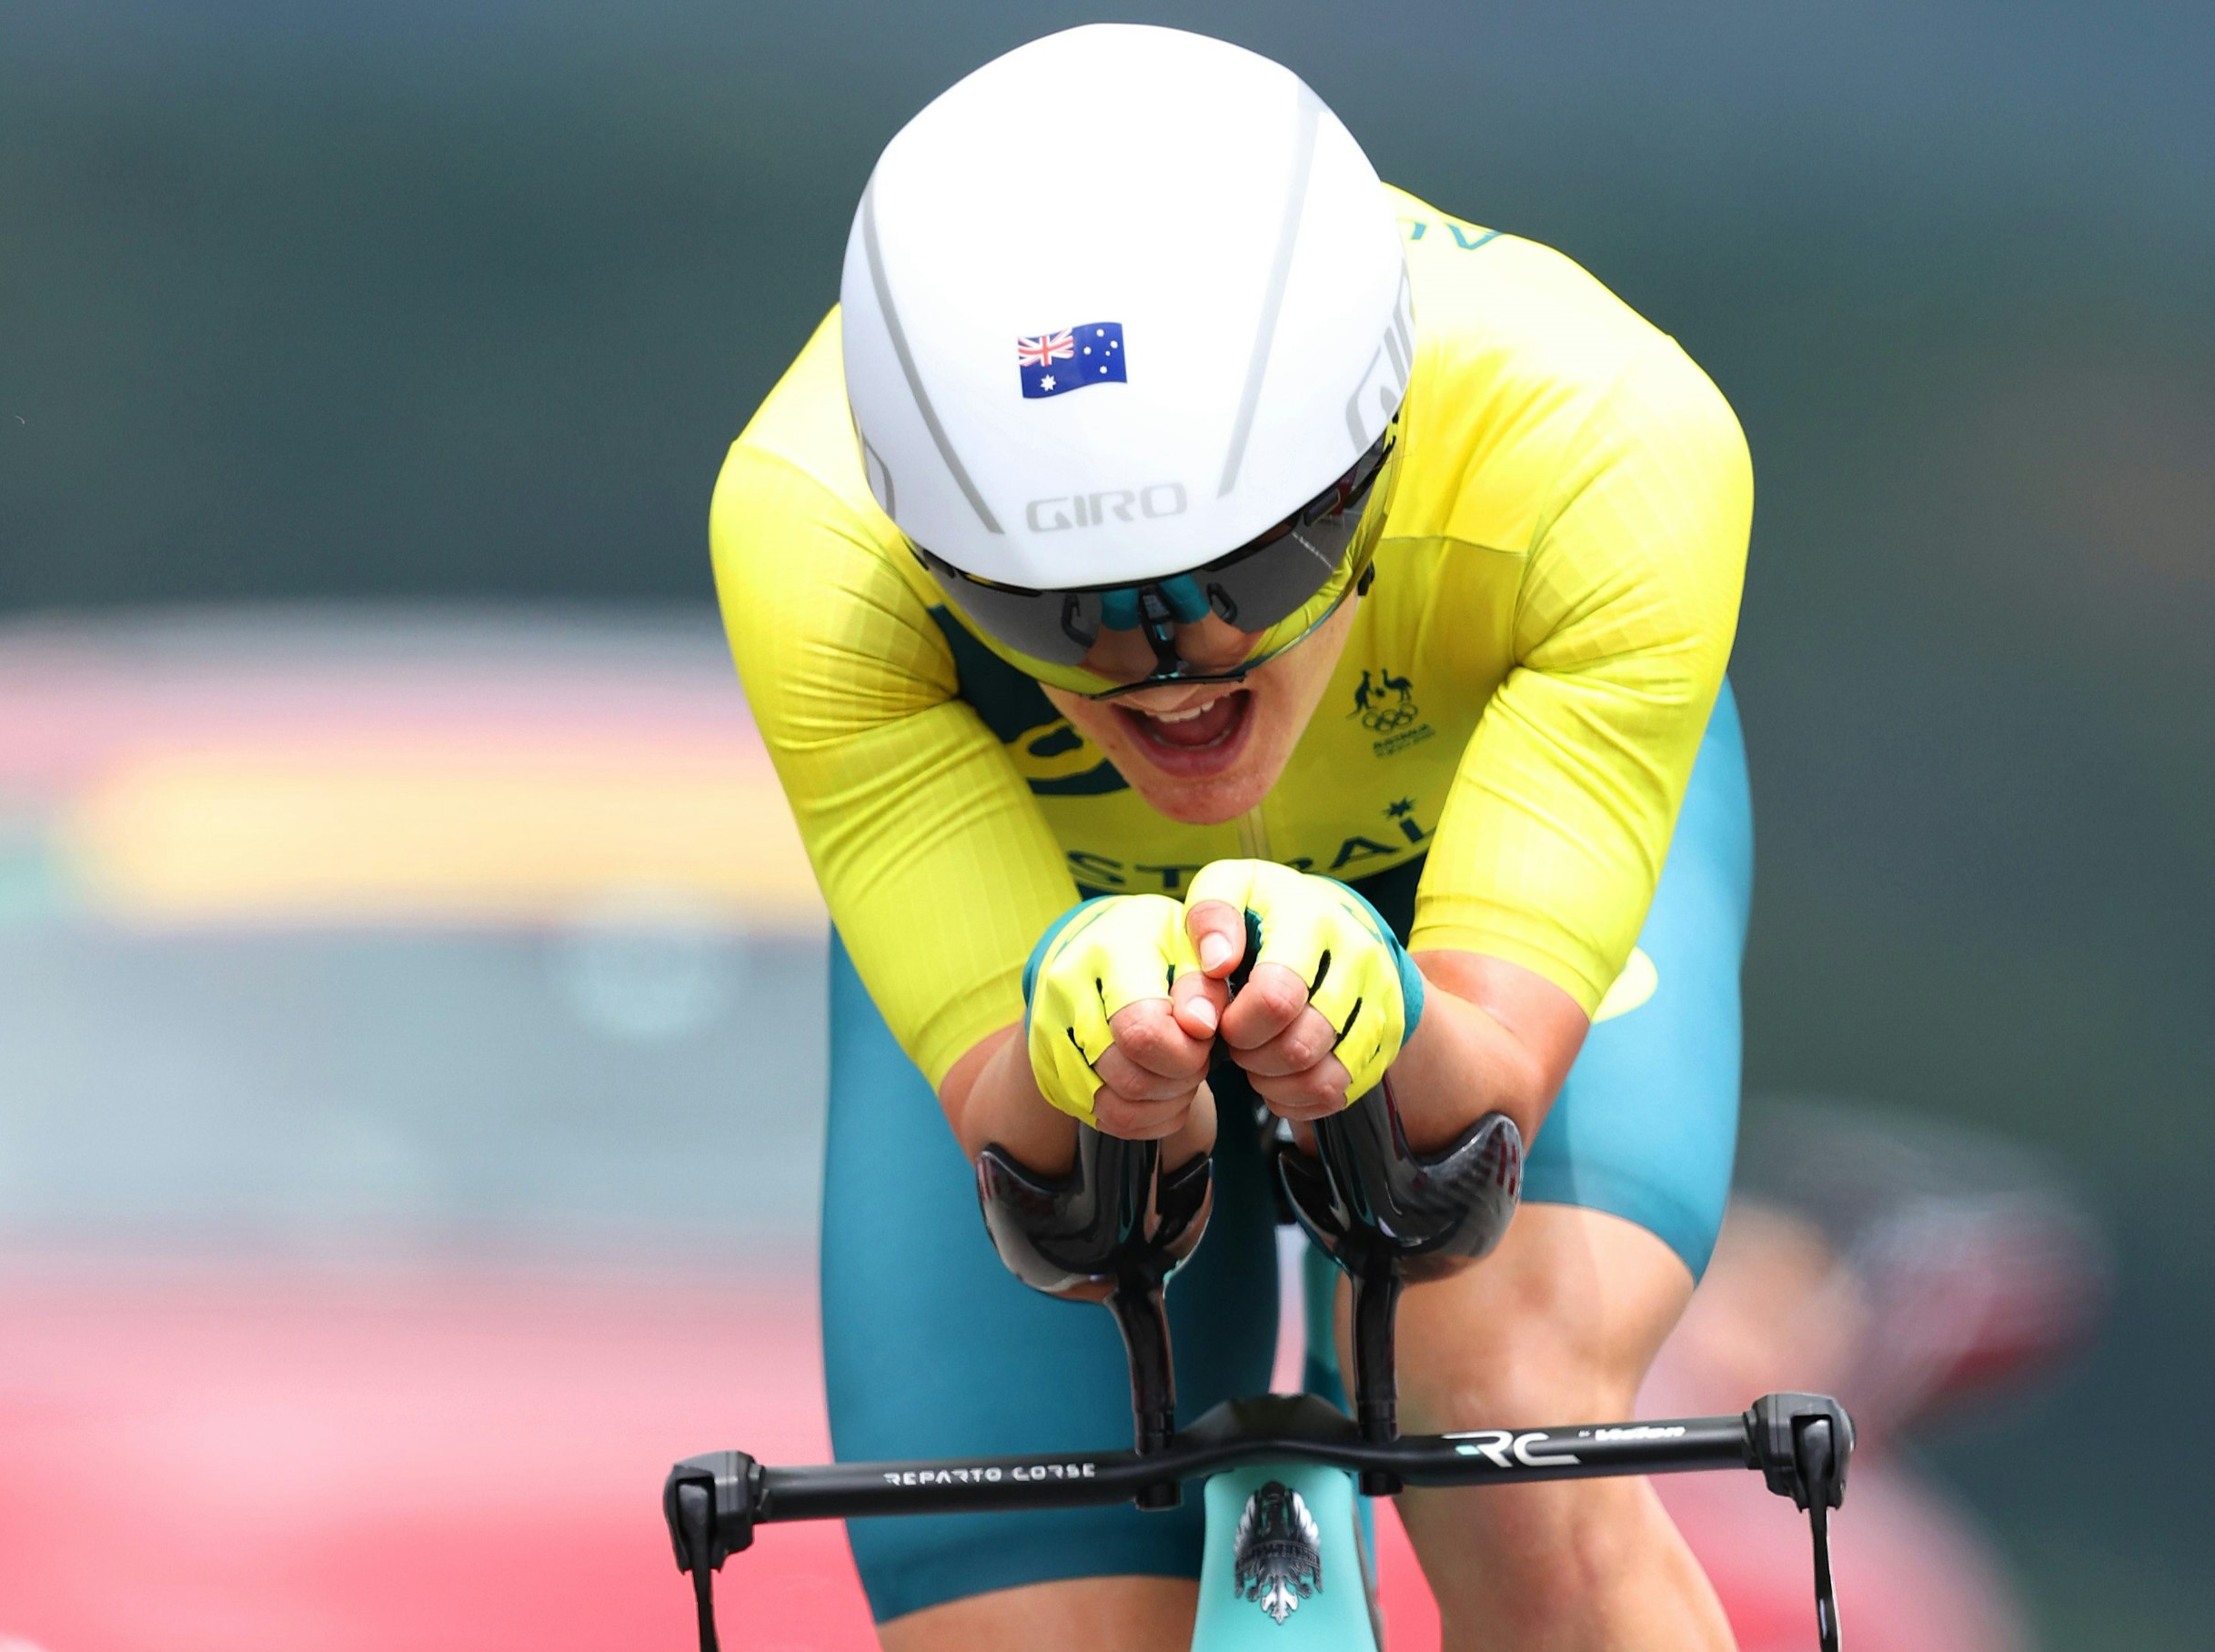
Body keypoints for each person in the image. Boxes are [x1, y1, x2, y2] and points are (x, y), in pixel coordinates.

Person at [712, 23, 1753, 1650]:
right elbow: (1034, 1169)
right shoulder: (809, 525)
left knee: (1500, 1413)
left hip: (1464, 909)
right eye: (1050, 615)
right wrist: (1085, 1058)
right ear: (924, 549)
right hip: (1065, 940)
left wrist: (1390, 1012)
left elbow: (1470, 1131)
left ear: (1379, 467)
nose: (1171, 664)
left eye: (1250, 576)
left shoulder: (1609, 442)